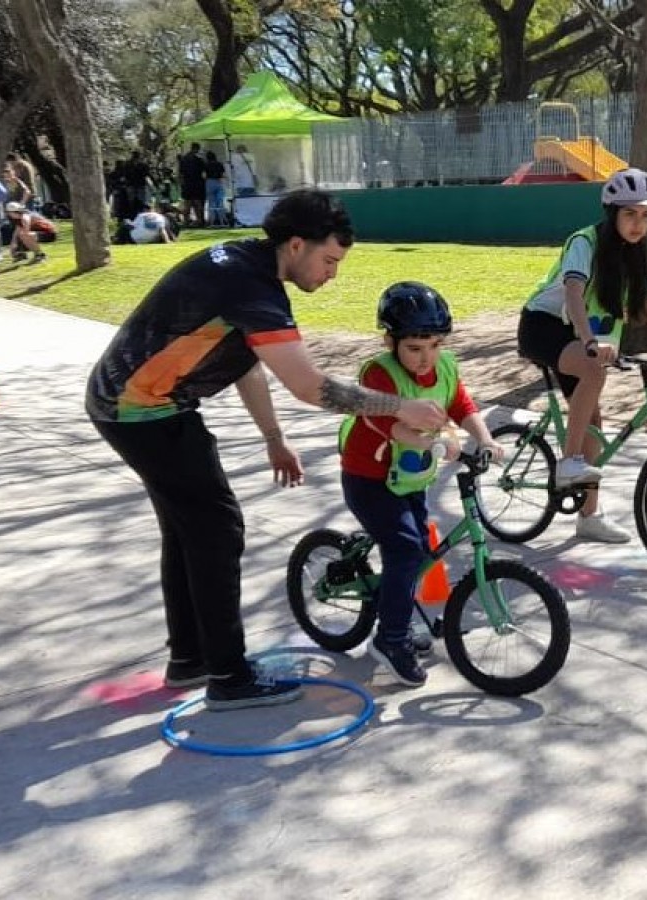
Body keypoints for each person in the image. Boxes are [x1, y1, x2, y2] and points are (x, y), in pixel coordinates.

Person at [86, 189, 447, 710]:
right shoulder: (250, 284)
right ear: (296, 245)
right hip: (140, 409)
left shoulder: (245, 268)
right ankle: (229, 677)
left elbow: (246, 360)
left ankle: (190, 657)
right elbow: (311, 386)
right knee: (216, 529)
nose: (332, 274)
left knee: (188, 527)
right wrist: (397, 407)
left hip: (139, 405)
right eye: (329, 260)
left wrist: (274, 438)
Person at [515, 168, 647, 543]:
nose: (638, 223)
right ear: (612, 212)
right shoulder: (585, 242)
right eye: (630, 214)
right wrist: (589, 341)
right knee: (595, 373)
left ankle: (589, 517)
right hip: (544, 325)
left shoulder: (634, 255)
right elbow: (572, 293)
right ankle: (568, 463)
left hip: (579, 338)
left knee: (594, 420)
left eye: (646, 215)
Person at [339, 282, 504, 686]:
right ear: (390, 341)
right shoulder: (379, 372)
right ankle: (391, 639)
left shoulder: (444, 366)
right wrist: (434, 443)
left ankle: (396, 613)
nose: (425, 357)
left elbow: (461, 404)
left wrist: (484, 438)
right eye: (414, 348)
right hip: (369, 476)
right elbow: (383, 422)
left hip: (409, 477)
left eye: (433, 345)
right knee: (405, 549)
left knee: (417, 550)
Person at [178, 142, 206, 228]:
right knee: (198, 203)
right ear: (197, 149)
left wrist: (182, 184)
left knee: (187, 203)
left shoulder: (184, 159)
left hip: (187, 184)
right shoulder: (199, 159)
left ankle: (186, 221)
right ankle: (200, 220)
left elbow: (181, 174)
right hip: (197, 183)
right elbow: (203, 173)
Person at [203, 150, 228, 228]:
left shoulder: (206, 164)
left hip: (210, 182)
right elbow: (223, 174)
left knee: (211, 203)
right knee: (220, 202)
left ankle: (212, 221)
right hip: (219, 182)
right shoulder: (220, 164)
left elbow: (204, 175)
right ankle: (222, 221)